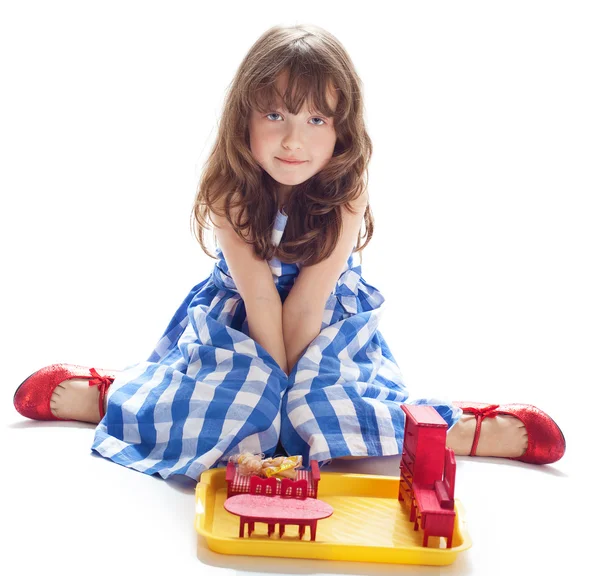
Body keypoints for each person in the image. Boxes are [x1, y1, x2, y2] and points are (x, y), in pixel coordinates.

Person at [13, 24, 565, 481]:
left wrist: (287, 406)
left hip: (323, 325)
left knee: (318, 409)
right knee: (239, 405)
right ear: (245, 119)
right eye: (275, 116)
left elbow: (306, 305)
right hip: (242, 322)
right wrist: (264, 405)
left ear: (342, 132)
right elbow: (258, 299)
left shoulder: (345, 193)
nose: (293, 141)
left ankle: (457, 428)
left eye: (316, 120)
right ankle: (116, 395)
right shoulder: (229, 192)